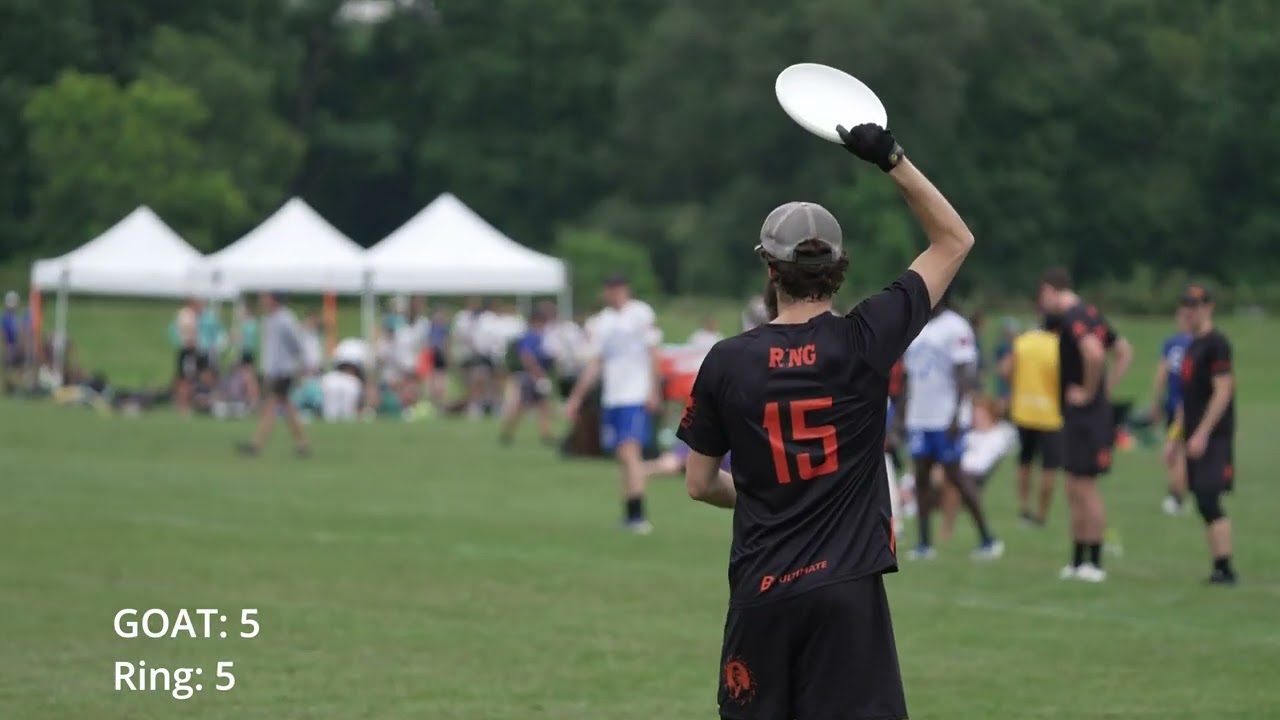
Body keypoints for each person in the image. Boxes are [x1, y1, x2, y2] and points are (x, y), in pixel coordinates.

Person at [676, 123, 973, 720]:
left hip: (762, 591)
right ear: (837, 266)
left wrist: (764, 494)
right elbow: (953, 241)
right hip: (847, 591)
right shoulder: (865, 339)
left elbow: (699, 483)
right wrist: (891, 159)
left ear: (770, 270)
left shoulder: (727, 361)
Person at [1038, 267, 1133, 582]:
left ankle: (1094, 562)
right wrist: (1106, 391)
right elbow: (1123, 352)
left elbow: (1094, 355)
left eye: (1042, 296)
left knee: (1086, 487)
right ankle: (1078, 561)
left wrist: (1091, 393)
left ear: (1052, 291)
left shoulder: (1074, 317)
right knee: (1074, 485)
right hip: (1089, 415)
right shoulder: (1092, 313)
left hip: (1086, 416)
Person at [899, 292, 1003, 559]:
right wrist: (902, 414)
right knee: (921, 478)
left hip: (945, 417)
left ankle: (987, 538)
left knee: (956, 477)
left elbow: (965, 373)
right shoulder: (916, 325)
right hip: (919, 417)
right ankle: (924, 543)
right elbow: (910, 375)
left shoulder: (955, 326)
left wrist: (957, 414)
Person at [565, 275, 663, 534]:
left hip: (635, 394)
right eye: (610, 290)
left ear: (626, 290)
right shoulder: (602, 323)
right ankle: (630, 510)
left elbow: (654, 353)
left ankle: (638, 514)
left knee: (630, 452)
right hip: (613, 396)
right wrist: (576, 397)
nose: (614, 295)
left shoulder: (640, 314)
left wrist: (654, 390)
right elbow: (596, 363)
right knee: (621, 454)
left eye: (618, 290)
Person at [1167, 284, 1237, 585]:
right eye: (1187, 306)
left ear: (1209, 307)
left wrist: (1203, 433)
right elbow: (1187, 398)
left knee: (1209, 495)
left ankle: (1225, 567)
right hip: (1194, 433)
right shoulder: (1192, 346)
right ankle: (1218, 566)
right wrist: (1175, 437)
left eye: (1196, 306)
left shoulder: (1216, 344)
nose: (1190, 311)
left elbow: (1223, 390)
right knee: (1200, 498)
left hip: (1214, 435)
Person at [1000, 318, 1064, 527]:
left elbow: (1005, 369)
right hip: (1051, 414)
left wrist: (1017, 387)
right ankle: (1041, 515)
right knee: (1049, 467)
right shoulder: (1059, 345)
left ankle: (1024, 509)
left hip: (1024, 411)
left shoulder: (1023, 341)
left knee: (1025, 462)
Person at [238, 292, 311, 457]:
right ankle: (303, 444)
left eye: (266, 297)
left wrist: (298, 365)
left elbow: (296, 344)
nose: (262, 300)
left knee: (271, 406)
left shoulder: (285, 319)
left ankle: (256, 444)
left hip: (283, 371)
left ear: (273, 299)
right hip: (275, 371)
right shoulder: (271, 319)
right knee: (287, 408)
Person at [1151, 306, 1193, 515]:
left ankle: (1176, 498)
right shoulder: (1199, 343)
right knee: (1182, 452)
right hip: (1193, 406)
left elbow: (1161, 375)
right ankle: (1178, 496)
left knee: (1175, 453)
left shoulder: (1172, 344)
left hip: (1174, 404)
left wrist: (1155, 402)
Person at [499, 309, 556, 445]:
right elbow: (526, 356)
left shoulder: (539, 336)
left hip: (537, 375)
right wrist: (536, 372)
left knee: (543, 405)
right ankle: (507, 432)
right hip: (530, 376)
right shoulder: (530, 336)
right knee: (522, 406)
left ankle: (546, 434)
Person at [172, 298, 205, 414]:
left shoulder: (189, 315)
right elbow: (189, 333)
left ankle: (181, 402)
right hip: (188, 350)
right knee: (186, 379)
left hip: (187, 349)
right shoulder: (187, 315)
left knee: (184, 378)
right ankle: (183, 404)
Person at [2, 291, 32, 392]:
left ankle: (18, 383)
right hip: (11, 348)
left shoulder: (19, 317)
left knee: (23, 362)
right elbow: (5, 337)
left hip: (18, 347)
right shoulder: (6, 319)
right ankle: (11, 384)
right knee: (12, 363)